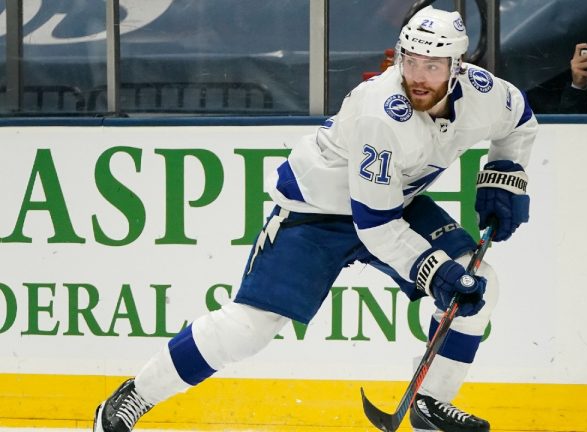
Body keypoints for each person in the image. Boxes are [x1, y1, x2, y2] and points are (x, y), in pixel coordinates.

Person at [93, 6, 537, 432]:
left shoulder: (483, 94)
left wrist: (505, 173)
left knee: (482, 281)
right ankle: (134, 396)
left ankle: (431, 403)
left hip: (394, 203)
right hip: (316, 211)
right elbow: (376, 226)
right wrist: (435, 273)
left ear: (458, 68)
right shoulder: (381, 113)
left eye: (433, 66)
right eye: (411, 61)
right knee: (249, 329)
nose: (418, 77)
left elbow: (519, 121)